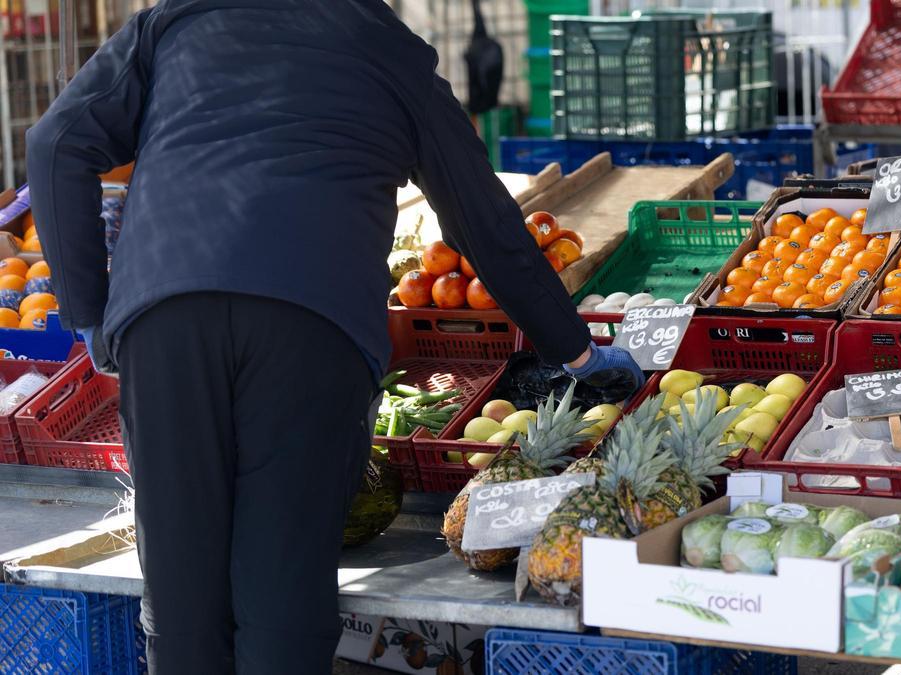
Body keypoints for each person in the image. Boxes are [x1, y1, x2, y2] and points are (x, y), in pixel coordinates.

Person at [25, 2, 641, 673]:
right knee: (281, 594)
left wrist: (91, 311)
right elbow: (483, 219)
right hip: (309, 323)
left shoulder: (178, 22)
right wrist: (576, 350)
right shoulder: (387, 47)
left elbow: (55, 144)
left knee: (181, 601)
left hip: (168, 318)